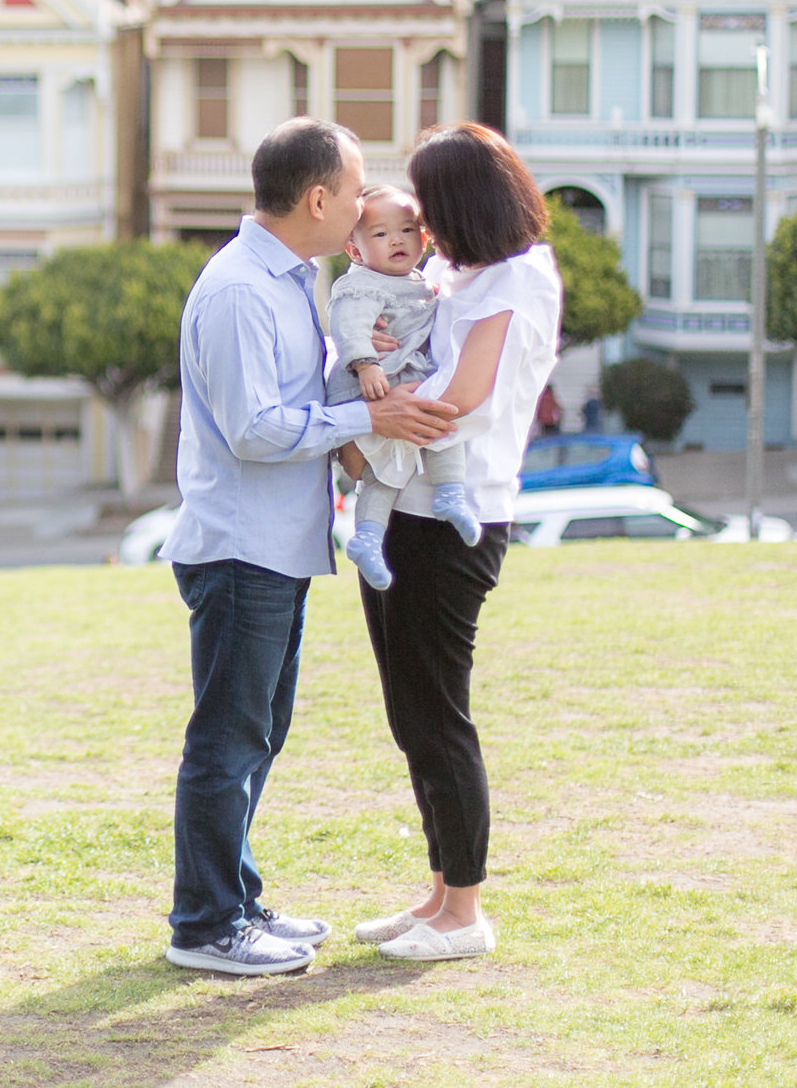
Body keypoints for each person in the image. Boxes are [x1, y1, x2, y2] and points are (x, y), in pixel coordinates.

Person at [161, 118, 457, 977]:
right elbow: (255, 430)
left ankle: (238, 901)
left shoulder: (298, 277)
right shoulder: (239, 291)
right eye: (359, 188)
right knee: (227, 738)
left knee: (259, 731)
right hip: (239, 548)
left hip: (280, 547)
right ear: (319, 198)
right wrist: (372, 416)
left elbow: (310, 393)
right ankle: (206, 924)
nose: (369, 203)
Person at [345, 124, 563, 964]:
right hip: (406, 505)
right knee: (410, 710)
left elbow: (463, 396)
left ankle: (465, 911)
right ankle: (438, 894)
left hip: (454, 513)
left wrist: (361, 431)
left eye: (430, 203)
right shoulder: (453, 272)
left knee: (439, 711)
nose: (419, 221)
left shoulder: (516, 276)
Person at [324, 185, 479, 589]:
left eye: (408, 230)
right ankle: (371, 536)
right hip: (373, 383)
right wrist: (365, 363)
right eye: (380, 234)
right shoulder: (361, 284)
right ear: (354, 250)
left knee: (434, 438)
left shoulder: (422, 283)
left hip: (405, 377)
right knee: (383, 468)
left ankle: (445, 495)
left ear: (424, 239)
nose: (396, 240)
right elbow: (349, 326)